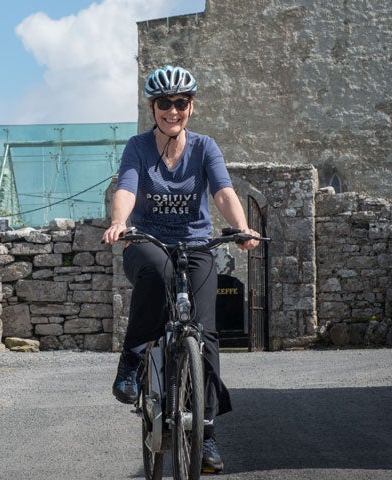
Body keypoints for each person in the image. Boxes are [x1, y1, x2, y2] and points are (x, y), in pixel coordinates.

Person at [102, 65, 260, 474]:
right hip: (148, 241)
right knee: (156, 272)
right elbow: (126, 188)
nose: (173, 111)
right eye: (165, 104)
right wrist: (120, 222)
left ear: (190, 106)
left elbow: (223, 192)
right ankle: (132, 363)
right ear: (153, 108)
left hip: (196, 244)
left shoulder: (205, 147)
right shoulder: (137, 147)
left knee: (205, 336)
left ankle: (206, 436)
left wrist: (241, 227)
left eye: (181, 103)